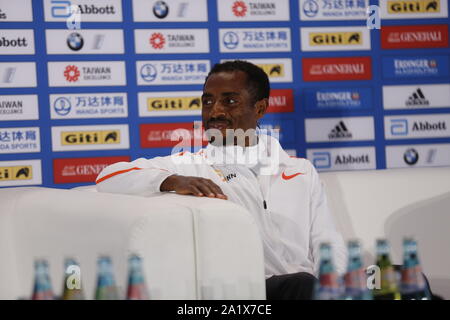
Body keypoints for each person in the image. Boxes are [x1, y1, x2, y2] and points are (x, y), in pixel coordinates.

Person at [96, 60, 347, 299]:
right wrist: (172, 181)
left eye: (229, 101)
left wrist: (336, 286)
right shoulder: (191, 165)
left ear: (259, 108)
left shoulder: (301, 170)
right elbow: (108, 176)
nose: (215, 111)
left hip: (304, 288)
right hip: (242, 292)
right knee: (301, 284)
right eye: (208, 101)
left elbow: (326, 240)